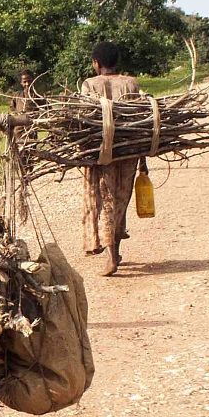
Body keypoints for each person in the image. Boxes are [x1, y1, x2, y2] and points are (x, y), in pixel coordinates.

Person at [79, 41, 148, 276]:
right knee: (120, 200)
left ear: (96, 63)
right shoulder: (131, 83)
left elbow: (83, 120)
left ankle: (110, 257)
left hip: (101, 153)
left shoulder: (89, 84)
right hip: (128, 152)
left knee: (106, 200)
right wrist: (143, 159)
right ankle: (115, 251)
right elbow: (143, 122)